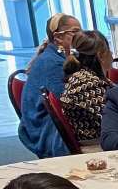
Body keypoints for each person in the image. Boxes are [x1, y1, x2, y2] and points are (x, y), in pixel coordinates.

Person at [19, 13, 81, 158]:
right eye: (75, 32)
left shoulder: (58, 56)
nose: (81, 35)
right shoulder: (52, 63)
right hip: (46, 128)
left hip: (44, 122)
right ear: (58, 37)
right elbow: (68, 101)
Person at [59, 30, 114, 145]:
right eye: (109, 50)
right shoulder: (89, 84)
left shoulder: (83, 76)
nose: (112, 54)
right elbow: (114, 118)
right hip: (96, 145)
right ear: (101, 55)